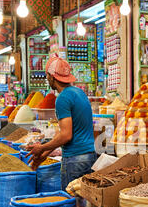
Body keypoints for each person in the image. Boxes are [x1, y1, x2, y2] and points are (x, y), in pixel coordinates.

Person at [26, 54, 97, 193]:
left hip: (74, 159)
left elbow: (66, 136)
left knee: (70, 205)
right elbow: (62, 132)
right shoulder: (79, 93)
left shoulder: (62, 98)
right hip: (88, 156)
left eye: (47, 76)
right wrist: (45, 153)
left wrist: (41, 148)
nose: (47, 80)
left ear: (52, 77)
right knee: (83, 203)